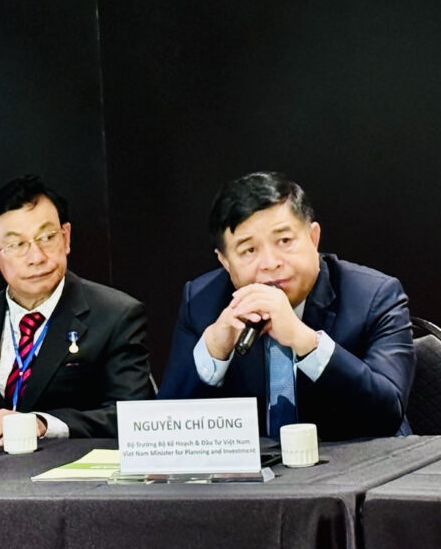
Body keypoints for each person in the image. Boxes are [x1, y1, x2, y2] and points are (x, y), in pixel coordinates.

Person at [157, 172, 414, 440]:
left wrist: (307, 343)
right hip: (260, 478)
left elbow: (388, 413)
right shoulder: (202, 302)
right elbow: (163, 431)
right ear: (224, 261)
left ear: (313, 238)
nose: (270, 263)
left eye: (284, 241)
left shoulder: (373, 296)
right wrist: (213, 352)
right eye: (249, 250)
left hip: (361, 468)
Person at [0, 175, 154, 445]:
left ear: (66, 237)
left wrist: (42, 423)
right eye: (16, 245)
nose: (37, 257)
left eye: (47, 237)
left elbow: (134, 417)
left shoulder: (115, 314)